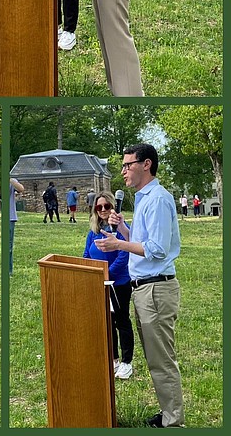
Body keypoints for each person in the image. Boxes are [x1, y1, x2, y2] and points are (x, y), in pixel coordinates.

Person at [94, 143, 183, 427]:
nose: (123, 172)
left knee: (161, 360)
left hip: (156, 288)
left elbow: (156, 249)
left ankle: (173, 421)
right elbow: (144, 240)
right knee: (156, 358)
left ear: (146, 165)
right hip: (145, 288)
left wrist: (118, 243)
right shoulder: (144, 199)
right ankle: (169, 413)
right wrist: (123, 229)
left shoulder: (157, 199)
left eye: (128, 165)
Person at [83, 192, 134, 379]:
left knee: (122, 321)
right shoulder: (93, 231)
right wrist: (90, 273)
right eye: (99, 207)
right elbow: (87, 254)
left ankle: (127, 362)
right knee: (107, 322)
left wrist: (108, 272)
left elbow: (124, 254)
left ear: (113, 206)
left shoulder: (121, 227)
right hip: (100, 282)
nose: (103, 210)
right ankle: (113, 359)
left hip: (118, 282)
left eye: (106, 206)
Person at [9, 177, 25, 276]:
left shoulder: (12, 181)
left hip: (10, 217)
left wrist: (10, 180)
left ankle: (9, 271)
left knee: (9, 246)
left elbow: (21, 189)